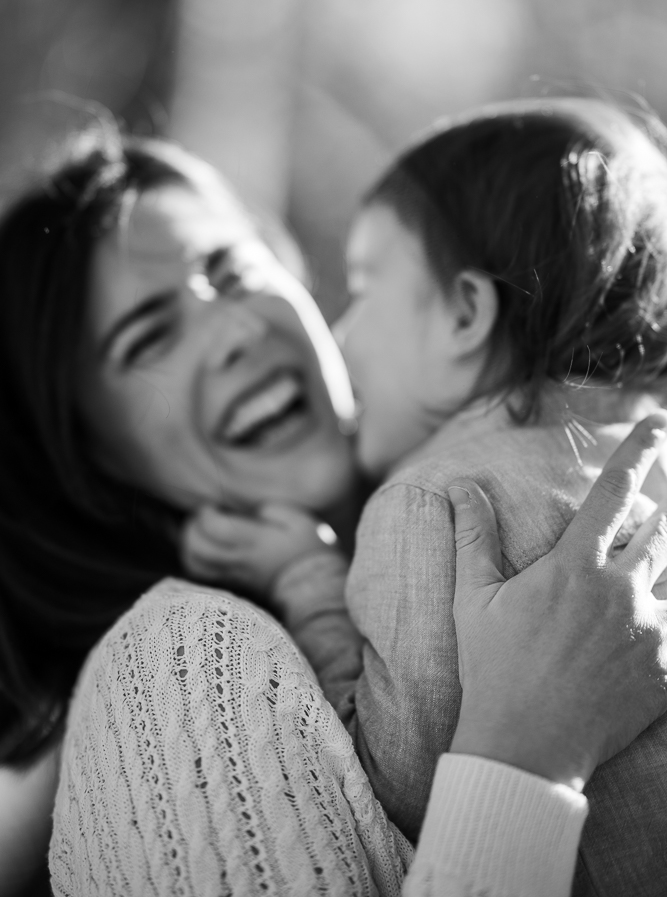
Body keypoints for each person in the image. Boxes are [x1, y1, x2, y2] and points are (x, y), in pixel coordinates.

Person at [0, 128, 660, 895]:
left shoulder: (510, 499)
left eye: (233, 271)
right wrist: (527, 754)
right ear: (81, 452)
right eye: (149, 335)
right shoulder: (172, 659)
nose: (240, 331)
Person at [183, 99, 667, 893]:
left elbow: (388, 797)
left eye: (367, 287)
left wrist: (307, 576)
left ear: (465, 313)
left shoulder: (436, 505)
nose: (341, 337)